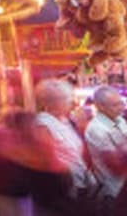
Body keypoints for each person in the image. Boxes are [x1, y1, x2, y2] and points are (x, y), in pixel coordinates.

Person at [32, 79, 90, 208]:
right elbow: (47, 159)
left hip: (79, 184)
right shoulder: (42, 123)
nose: (72, 103)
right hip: (62, 190)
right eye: (69, 99)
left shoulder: (66, 121)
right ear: (54, 102)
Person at [82, 87, 127, 213]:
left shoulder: (120, 120)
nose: (121, 108)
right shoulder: (96, 129)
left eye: (121, 103)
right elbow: (115, 165)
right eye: (115, 105)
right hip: (115, 191)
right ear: (100, 107)